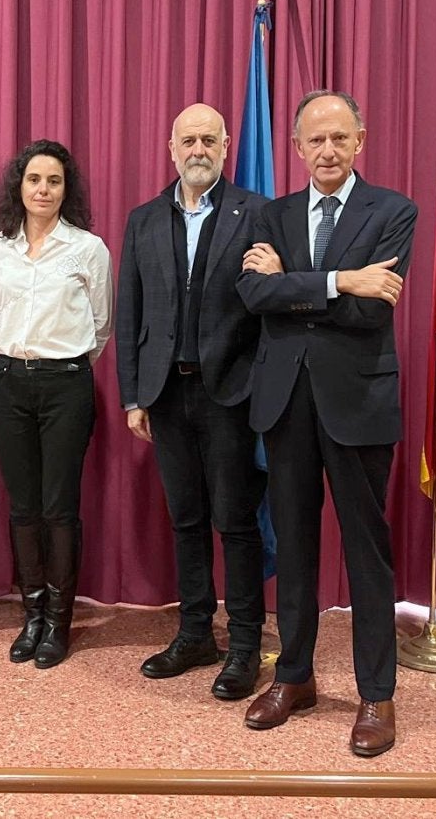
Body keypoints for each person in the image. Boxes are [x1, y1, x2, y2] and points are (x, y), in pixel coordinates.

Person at [237, 90, 416, 756]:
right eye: (316, 140)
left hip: (359, 404)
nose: (329, 151)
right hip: (286, 401)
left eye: (340, 137)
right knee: (296, 543)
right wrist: (343, 281)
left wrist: (298, 286)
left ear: (360, 140)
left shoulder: (394, 210)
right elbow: (255, 294)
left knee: (367, 552)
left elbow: (377, 311)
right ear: (297, 147)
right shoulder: (273, 213)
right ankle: (294, 676)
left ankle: (377, 694)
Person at [116, 102, 268, 700]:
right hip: (164, 392)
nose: (198, 149)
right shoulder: (143, 220)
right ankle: (197, 631)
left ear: (227, 147)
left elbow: (269, 304)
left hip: (231, 393)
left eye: (210, 139)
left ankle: (248, 643)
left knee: (235, 520)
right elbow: (130, 313)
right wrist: (133, 395)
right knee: (185, 519)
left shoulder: (256, 213)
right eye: (189, 140)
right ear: (171, 148)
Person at [0, 139, 112, 669]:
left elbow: (100, 325)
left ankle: (59, 621)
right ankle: (31, 615)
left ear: (66, 189)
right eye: (34, 179)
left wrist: (63, 364)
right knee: (22, 507)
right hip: (9, 382)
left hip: (66, 386)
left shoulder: (87, 249)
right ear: (20, 184)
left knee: (59, 507)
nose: (42, 189)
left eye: (54, 181)